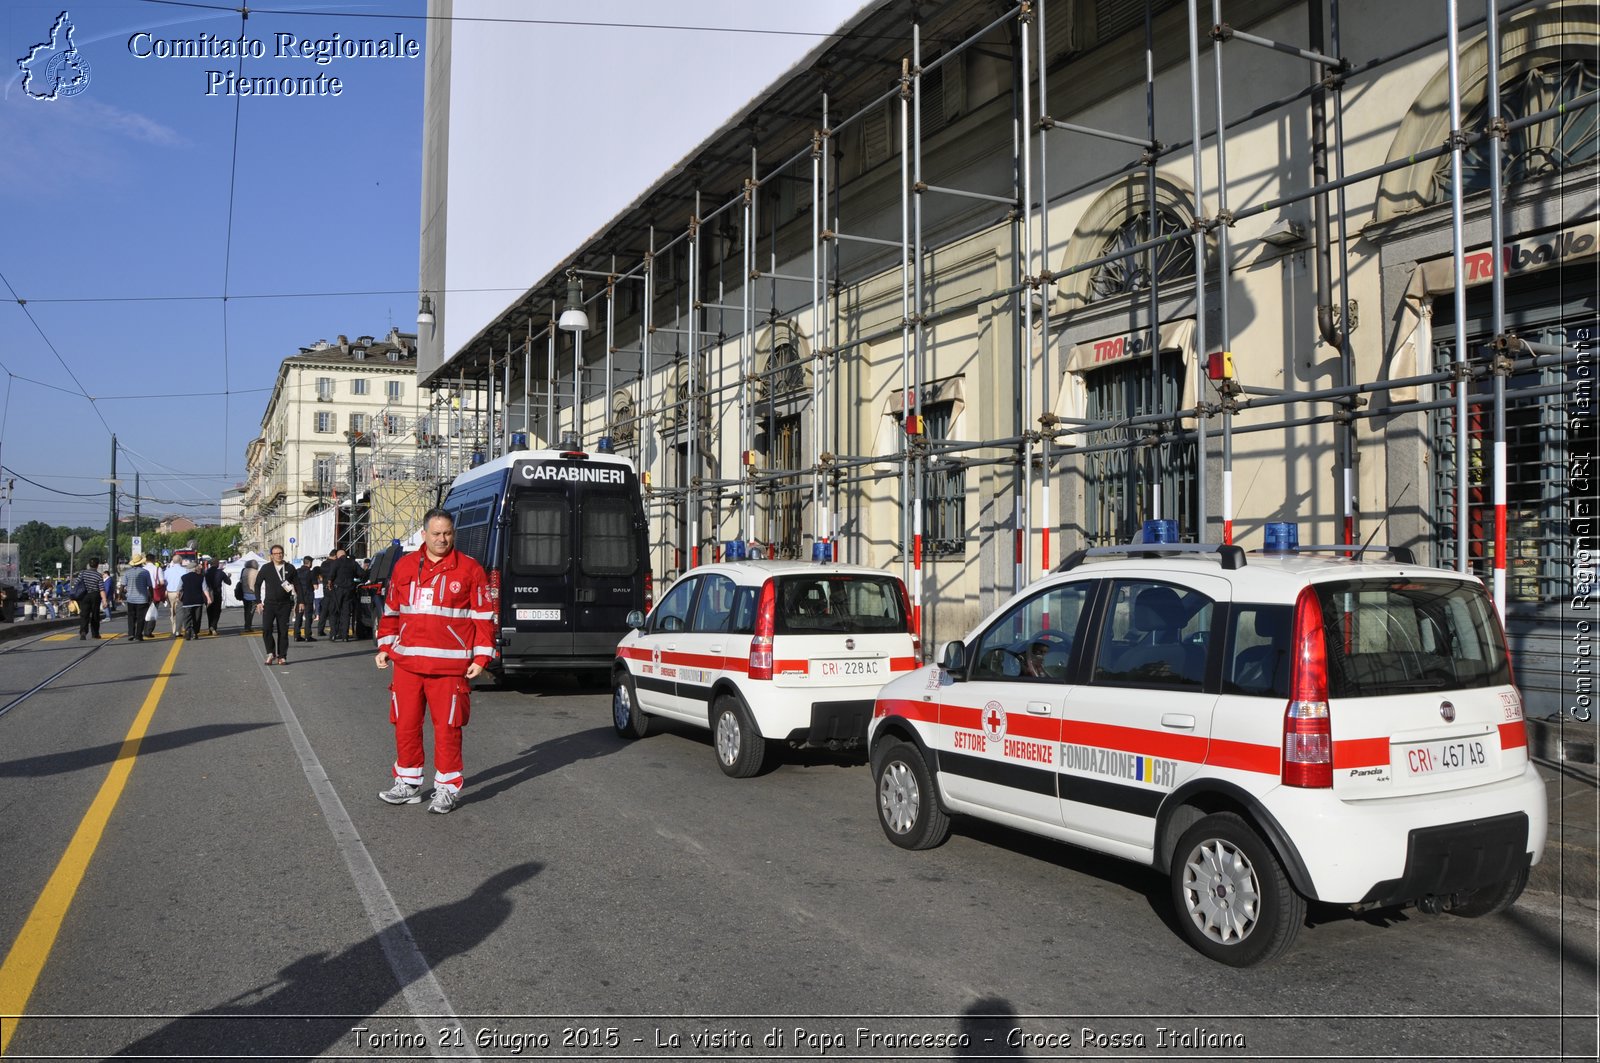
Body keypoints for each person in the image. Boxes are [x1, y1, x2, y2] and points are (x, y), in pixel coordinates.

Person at [375, 509, 495, 815]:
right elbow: (390, 612)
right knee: (405, 725)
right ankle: (408, 784)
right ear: (424, 535)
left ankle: (446, 789)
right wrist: (385, 647)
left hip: (449, 669)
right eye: (437, 533)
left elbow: (484, 618)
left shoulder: (470, 569)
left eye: (448, 533)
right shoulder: (404, 567)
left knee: (448, 730)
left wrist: (481, 657)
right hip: (407, 666)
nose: (443, 539)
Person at [257, 545, 297, 664]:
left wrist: (301, 602)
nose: (278, 555)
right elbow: (257, 584)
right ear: (271, 555)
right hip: (269, 604)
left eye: (280, 553)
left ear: (283, 553)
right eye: (275, 553)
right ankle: (271, 653)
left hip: (285, 605)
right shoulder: (266, 568)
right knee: (266, 629)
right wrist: (258, 601)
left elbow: (298, 584)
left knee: (283, 631)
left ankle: (282, 656)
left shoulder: (290, 568)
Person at [121, 553, 155, 641]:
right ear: (141, 563)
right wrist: (151, 597)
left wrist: (121, 595)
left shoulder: (127, 573)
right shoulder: (145, 572)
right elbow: (150, 586)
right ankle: (138, 635)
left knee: (131, 617)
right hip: (142, 599)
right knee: (141, 618)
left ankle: (131, 633)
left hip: (131, 599)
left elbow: (122, 585)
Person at [73, 557, 107, 640]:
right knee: (95, 615)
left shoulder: (82, 573)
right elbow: (101, 589)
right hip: (95, 595)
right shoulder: (99, 575)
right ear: (97, 565)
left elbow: (76, 583)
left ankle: (83, 632)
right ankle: (95, 633)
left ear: (89, 565)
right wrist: (104, 600)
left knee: (84, 614)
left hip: (84, 595)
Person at [178, 560, 210, 640]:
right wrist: (208, 598)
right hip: (198, 601)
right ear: (194, 569)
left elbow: (179, 590)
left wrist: (179, 598)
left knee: (187, 618)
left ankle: (188, 633)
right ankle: (195, 633)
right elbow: (205, 589)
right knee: (197, 618)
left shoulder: (183, 577)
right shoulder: (201, 577)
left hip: (187, 601)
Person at [292, 556, 318, 642]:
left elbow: (292, 584)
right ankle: (307, 636)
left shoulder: (297, 572)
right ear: (310, 563)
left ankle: (296, 635)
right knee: (308, 616)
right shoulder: (311, 573)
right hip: (308, 597)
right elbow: (316, 586)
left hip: (299, 597)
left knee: (298, 616)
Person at [202, 557, 231, 636]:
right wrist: (228, 577)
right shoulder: (220, 572)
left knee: (209, 611)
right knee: (217, 611)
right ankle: (213, 627)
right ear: (217, 564)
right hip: (217, 594)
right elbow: (228, 582)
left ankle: (210, 629)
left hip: (207, 594)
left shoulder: (206, 572)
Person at [162, 556, 186, 637]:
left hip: (170, 593)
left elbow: (164, 582)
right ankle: (178, 630)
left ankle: (174, 628)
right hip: (181, 593)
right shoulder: (185, 570)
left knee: (172, 611)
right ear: (181, 561)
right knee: (180, 611)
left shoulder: (167, 571)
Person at [240, 559, 260, 632]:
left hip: (244, 593)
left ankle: (247, 625)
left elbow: (241, 581)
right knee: (251, 611)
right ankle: (248, 626)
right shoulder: (257, 572)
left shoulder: (244, 570)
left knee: (246, 611)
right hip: (253, 594)